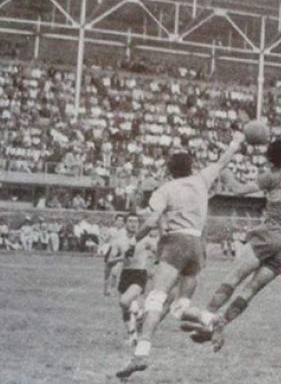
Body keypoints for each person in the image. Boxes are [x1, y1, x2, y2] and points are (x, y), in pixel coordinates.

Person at [115, 131, 244, 379]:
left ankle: (140, 354)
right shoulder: (201, 180)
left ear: (169, 170)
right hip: (197, 245)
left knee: (155, 299)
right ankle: (211, 319)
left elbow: (152, 221)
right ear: (191, 166)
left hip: (175, 242)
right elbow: (222, 161)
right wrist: (236, 142)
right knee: (179, 307)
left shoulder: (166, 188)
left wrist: (134, 239)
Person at [181, 138, 281, 352]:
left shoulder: (271, 176)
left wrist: (222, 170)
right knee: (250, 290)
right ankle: (222, 323)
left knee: (233, 278)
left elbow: (239, 190)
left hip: (269, 235)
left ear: (271, 160)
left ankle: (207, 319)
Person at [115, 214, 158, 346]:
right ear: (125, 223)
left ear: (139, 225)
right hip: (125, 274)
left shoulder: (146, 240)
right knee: (125, 309)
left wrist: (155, 268)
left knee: (124, 302)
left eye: (135, 221)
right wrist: (118, 259)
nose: (133, 224)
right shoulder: (120, 239)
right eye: (130, 221)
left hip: (139, 273)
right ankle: (132, 336)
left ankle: (139, 314)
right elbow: (112, 258)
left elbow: (159, 253)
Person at [103, 215, 127, 297]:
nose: (119, 222)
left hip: (120, 252)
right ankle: (105, 290)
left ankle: (112, 290)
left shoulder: (125, 231)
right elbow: (106, 240)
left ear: (124, 222)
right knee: (107, 272)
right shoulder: (111, 230)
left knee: (115, 272)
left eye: (121, 220)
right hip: (111, 251)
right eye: (118, 220)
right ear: (115, 221)